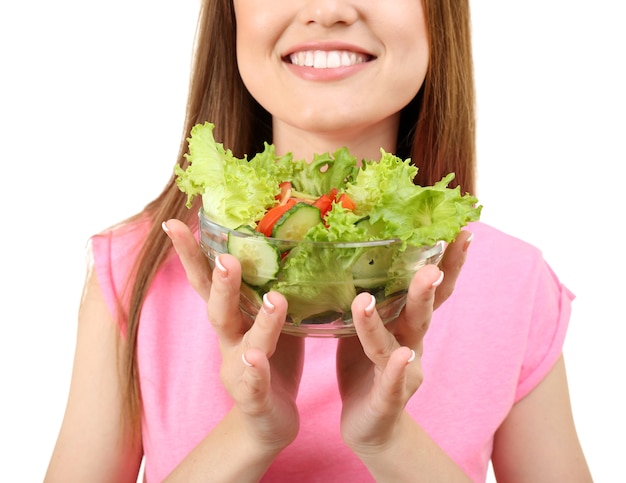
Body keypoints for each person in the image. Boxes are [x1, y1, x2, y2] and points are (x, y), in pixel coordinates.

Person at [45, 0, 593, 481]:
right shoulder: (135, 269)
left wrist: (389, 442)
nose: (328, 9)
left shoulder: (514, 283)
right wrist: (251, 433)